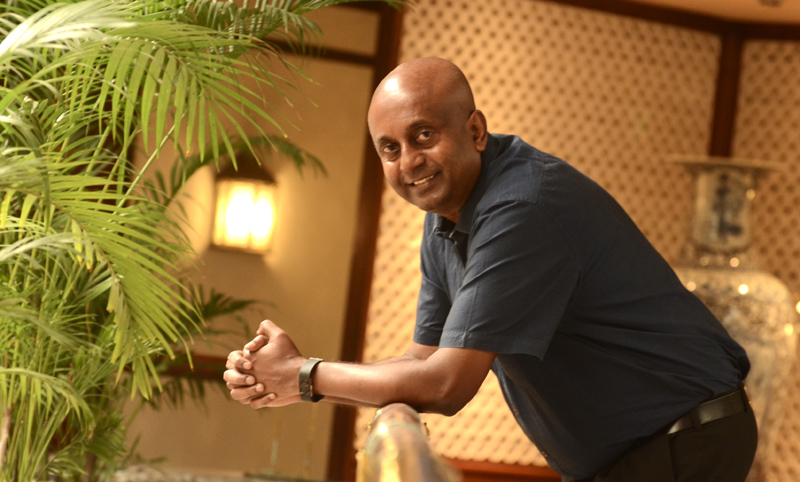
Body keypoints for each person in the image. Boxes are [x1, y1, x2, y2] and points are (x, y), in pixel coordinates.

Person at [223, 57, 758, 482]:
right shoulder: (443, 221)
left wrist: (304, 373)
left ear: (475, 130)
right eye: (390, 148)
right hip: (638, 452)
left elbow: (446, 385)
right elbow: (422, 359)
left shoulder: (520, 209)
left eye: (423, 135)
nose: (408, 162)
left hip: (684, 439)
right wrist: (294, 381)